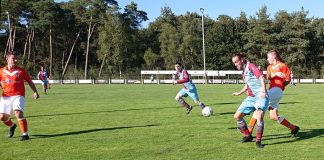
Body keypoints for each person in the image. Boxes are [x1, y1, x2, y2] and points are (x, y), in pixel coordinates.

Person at [247, 50, 300, 137]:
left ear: (273, 57)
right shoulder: (269, 67)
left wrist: (281, 85)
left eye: (268, 57)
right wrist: (275, 74)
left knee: (258, 108)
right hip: (273, 90)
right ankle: (294, 128)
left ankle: (248, 132)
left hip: (276, 90)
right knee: (273, 116)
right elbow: (267, 79)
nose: (267, 59)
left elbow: (287, 79)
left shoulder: (283, 66)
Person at [0, 51, 39, 141]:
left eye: (16, 58)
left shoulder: (21, 71)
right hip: (5, 97)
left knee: (18, 113)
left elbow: (29, 81)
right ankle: (12, 126)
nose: (16, 60)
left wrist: (35, 92)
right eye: (13, 58)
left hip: (18, 95)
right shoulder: (1, 71)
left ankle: (25, 134)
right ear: (7, 59)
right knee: (2, 117)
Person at [232, 53, 268, 148]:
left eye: (236, 62)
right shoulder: (243, 72)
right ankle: (248, 136)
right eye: (234, 63)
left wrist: (263, 91)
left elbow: (261, 77)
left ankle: (258, 141)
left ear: (242, 59)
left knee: (259, 115)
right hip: (251, 98)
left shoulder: (251, 66)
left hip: (260, 95)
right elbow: (248, 85)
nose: (235, 64)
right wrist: (239, 93)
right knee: (237, 116)